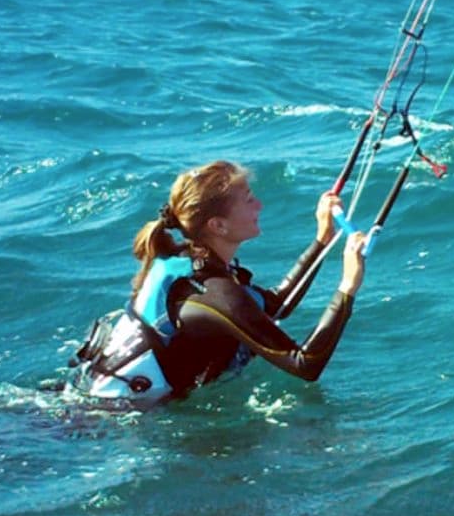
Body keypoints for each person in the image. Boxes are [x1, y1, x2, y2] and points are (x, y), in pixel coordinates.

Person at [71, 160, 365, 404]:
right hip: (111, 419)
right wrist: (348, 287)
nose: (260, 205)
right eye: (249, 200)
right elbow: (305, 364)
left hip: (95, 399)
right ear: (218, 225)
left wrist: (322, 239)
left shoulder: (196, 262)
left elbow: (273, 305)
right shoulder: (213, 292)